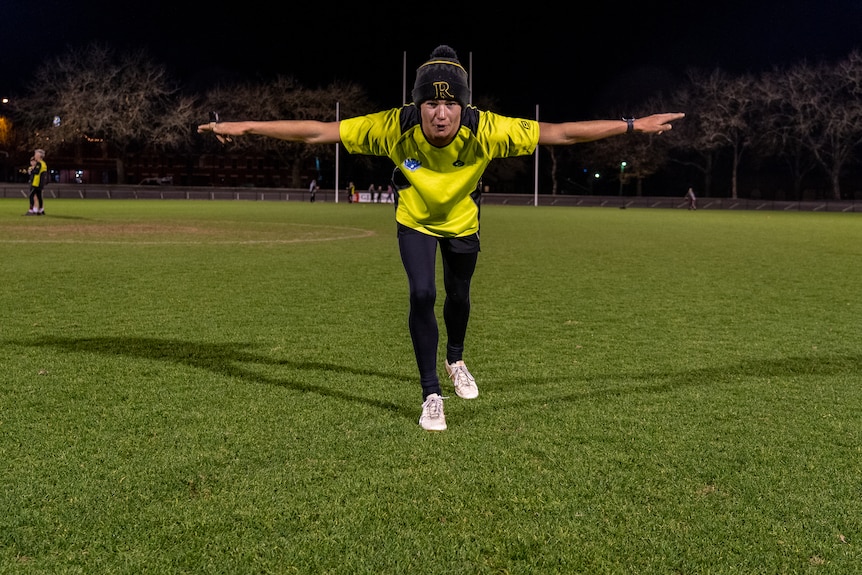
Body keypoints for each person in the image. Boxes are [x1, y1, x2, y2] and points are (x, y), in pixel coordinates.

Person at [198, 45, 684, 431]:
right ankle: (431, 393)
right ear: (418, 104)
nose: (441, 113)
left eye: (450, 103)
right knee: (421, 292)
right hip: (414, 218)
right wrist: (249, 126)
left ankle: (456, 359)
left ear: (463, 105)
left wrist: (632, 125)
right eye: (432, 101)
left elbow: (560, 134)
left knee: (459, 296)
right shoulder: (394, 125)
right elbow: (317, 133)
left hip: (462, 224)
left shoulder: (487, 129)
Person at [25, 148, 47, 216]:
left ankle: (31, 210)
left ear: (39, 156)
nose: (35, 156)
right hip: (40, 184)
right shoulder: (43, 163)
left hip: (36, 183)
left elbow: (36, 172)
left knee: (31, 196)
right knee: (39, 197)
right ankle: (41, 210)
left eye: (35, 154)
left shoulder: (39, 163)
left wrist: (31, 171)